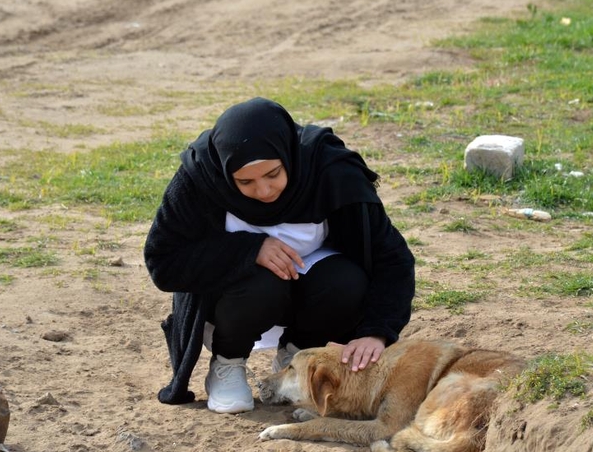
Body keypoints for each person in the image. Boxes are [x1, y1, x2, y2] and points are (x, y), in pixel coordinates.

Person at [144, 97, 415, 413]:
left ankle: (295, 358)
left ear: (289, 154)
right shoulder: (200, 178)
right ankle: (227, 363)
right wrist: (249, 250)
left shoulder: (331, 170)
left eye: (273, 174)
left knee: (347, 281)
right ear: (224, 171)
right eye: (245, 181)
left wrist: (377, 331)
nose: (264, 191)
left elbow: (392, 258)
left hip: (314, 290)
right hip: (237, 301)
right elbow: (162, 261)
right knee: (262, 283)